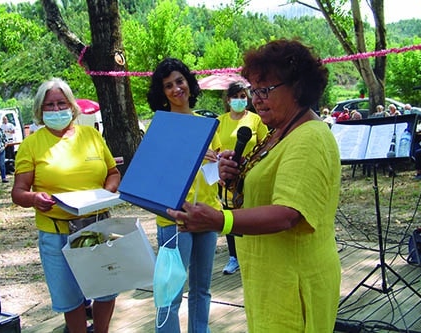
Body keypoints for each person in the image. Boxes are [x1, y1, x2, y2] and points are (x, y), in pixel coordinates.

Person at [167, 39, 341, 332]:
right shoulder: (278, 133)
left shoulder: (309, 137)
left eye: (265, 89)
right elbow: (262, 191)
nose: (255, 99)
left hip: (294, 285)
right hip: (271, 281)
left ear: (297, 87)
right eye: (253, 91)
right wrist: (235, 178)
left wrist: (218, 220)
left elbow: (288, 213)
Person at [11, 78, 121, 333]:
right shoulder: (31, 144)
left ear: (72, 106)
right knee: (69, 297)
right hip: (56, 232)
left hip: (98, 227)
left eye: (61, 103)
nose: (56, 109)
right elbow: (18, 193)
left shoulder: (91, 135)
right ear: (40, 110)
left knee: (106, 289)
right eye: (49, 105)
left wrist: (108, 190)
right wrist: (34, 199)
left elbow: (113, 172)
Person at [146, 58, 222, 333]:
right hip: (175, 219)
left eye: (180, 81)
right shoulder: (160, 125)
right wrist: (194, 155)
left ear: (189, 83)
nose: (176, 88)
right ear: (162, 92)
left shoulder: (207, 124)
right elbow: (156, 174)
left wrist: (219, 163)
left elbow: (212, 175)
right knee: (170, 293)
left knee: (202, 289)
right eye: (168, 85)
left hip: (207, 212)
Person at [217, 81, 268, 275]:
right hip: (228, 177)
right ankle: (233, 256)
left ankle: (255, 253)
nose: (239, 100)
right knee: (230, 214)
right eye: (235, 97)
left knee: (253, 212)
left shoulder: (256, 120)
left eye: (242, 96)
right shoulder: (220, 121)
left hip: (252, 173)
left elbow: (265, 144)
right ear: (228, 100)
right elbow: (214, 148)